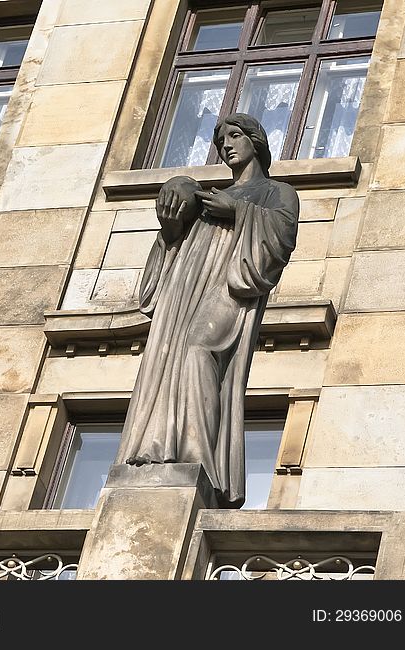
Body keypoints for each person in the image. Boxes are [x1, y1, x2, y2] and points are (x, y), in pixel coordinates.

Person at [116, 113, 298, 507]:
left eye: (235, 136)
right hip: (187, 287)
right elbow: (173, 247)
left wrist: (237, 211)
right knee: (171, 358)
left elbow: (280, 241)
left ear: (256, 142)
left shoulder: (275, 193)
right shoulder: (208, 196)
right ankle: (161, 447)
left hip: (229, 283)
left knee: (201, 350)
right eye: (221, 141)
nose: (227, 145)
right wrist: (172, 219)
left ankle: (199, 456)